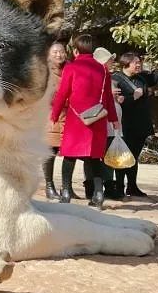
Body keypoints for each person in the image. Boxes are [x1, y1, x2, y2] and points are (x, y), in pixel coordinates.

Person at [50, 34, 120, 209]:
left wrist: (55, 115)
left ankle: (66, 192)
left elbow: (62, 93)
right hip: (97, 118)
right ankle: (98, 194)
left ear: (75, 50)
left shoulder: (72, 68)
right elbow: (109, 99)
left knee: (69, 156)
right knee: (95, 157)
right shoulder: (103, 70)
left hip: (76, 119)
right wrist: (114, 119)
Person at [112, 52, 158, 197]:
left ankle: (132, 186)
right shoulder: (116, 80)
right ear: (126, 64)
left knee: (134, 156)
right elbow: (118, 102)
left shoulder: (142, 77)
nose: (139, 65)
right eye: (135, 62)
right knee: (123, 156)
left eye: (139, 62)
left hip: (141, 124)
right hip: (125, 124)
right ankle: (118, 187)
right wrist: (133, 97)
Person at [93, 47, 126, 200]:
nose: (113, 62)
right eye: (110, 60)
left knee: (110, 155)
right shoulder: (97, 76)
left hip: (112, 123)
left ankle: (109, 185)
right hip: (101, 121)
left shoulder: (110, 77)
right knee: (98, 157)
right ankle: (97, 186)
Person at [43, 41, 69, 200]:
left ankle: (68, 187)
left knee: (70, 154)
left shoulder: (69, 69)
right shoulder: (45, 72)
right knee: (50, 151)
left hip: (69, 116)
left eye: (61, 52)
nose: (59, 55)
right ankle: (49, 185)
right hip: (51, 115)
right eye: (55, 52)